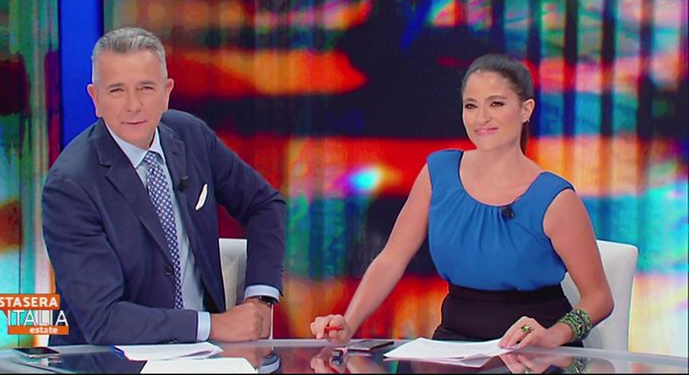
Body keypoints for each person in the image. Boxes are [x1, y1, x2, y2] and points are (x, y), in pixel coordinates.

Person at [310, 54, 613, 349]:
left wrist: (553, 336)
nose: (481, 118)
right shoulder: (438, 173)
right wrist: (348, 324)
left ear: (526, 110)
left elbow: (599, 298)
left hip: (534, 351)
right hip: (455, 344)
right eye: (471, 106)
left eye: (496, 104)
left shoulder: (555, 198)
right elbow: (392, 258)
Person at [42, 27, 286, 345]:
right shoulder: (70, 185)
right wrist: (212, 326)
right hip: (110, 359)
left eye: (145, 88)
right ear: (95, 98)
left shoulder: (191, 136)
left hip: (209, 356)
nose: (133, 105)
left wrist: (259, 299)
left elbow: (264, 204)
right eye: (117, 91)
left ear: (166, 92)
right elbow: (103, 321)